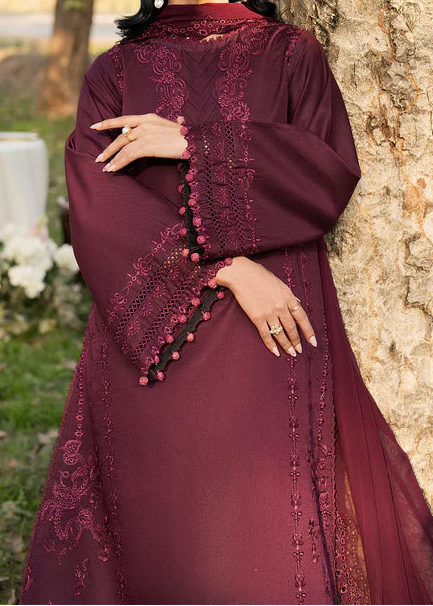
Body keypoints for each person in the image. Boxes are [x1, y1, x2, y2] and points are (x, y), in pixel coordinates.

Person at [19, 1, 433, 604]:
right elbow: (96, 206)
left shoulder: (291, 55)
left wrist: (193, 142)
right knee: (156, 537)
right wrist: (228, 269)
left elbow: (324, 172)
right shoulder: (115, 71)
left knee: (264, 539)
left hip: (269, 334)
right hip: (155, 329)